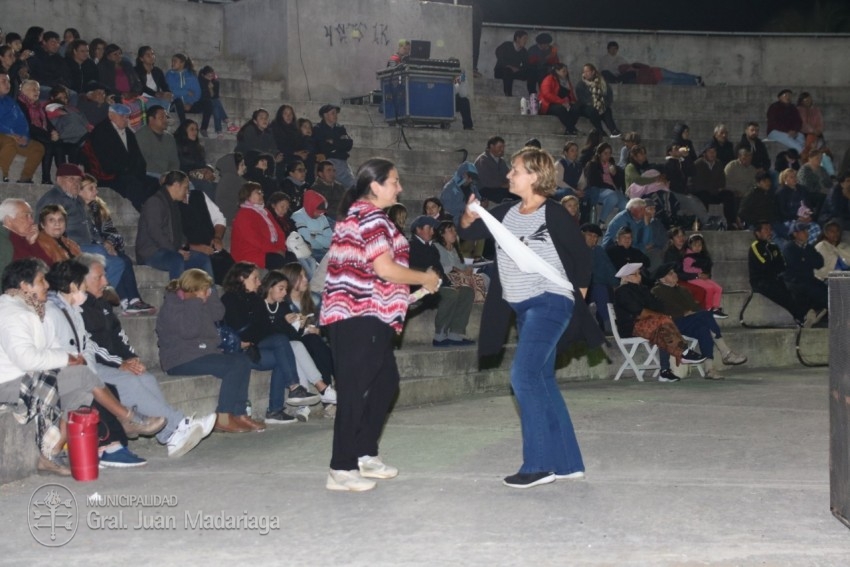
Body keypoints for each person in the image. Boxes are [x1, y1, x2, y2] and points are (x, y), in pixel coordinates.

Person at [458, 146, 604, 488]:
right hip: (523, 308)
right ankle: (568, 463)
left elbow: (583, 260)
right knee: (541, 380)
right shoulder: (506, 212)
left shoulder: (553, 214)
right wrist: (466, 217)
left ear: (535, 176)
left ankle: (538, 465)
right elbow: (467, 233)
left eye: (516, 170)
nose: (509, 175)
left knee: (522, 377)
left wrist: (575, 305)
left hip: (550, 303)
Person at [319, 158, 441, 492]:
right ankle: (340, 468)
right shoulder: (369, 216)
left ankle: (363, 453)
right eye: (394, 181)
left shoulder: (372, 217)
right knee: (355, 391)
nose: (400, 187)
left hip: (373, 315)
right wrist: (425, 279)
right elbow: (385, 268)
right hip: (357, 314)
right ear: (375, 186)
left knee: (386, 383)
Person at [0, 258, 158, 475]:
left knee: (82, 386)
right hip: (10, 385)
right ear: (25, 286)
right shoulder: (11, 313)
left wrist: (70, 358)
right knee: (83, 376)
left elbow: (53, 348)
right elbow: (26, 359)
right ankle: (128, 418)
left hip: (32, 377)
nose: (47, 285)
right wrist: (67, 358)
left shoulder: (35, 310)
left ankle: (51, 453)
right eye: (41, 281)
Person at [41, 259, 176, 466]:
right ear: (72, 285)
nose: (86, 289)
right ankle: (119, 432)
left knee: (97, 380)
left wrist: (92, 367)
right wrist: (85, 367)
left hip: (78, 370)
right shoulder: (52, 312)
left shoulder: (73, 310)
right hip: (53, 374)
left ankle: (123, 434)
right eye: (83, 284)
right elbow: (52, 351)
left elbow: (85, 347)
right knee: (93, 383)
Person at [156, 268, 262, 433]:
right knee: (234, 364)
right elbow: (189, 331)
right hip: (179, 359)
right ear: (194, 290)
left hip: (202, 353)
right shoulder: (173, 304)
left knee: (242, 360)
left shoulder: (200, 301)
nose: (208, 293)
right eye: (205, 289)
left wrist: (209, 295)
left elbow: (218, 314)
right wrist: (194, 301)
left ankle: (240, 413)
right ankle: (223, 417)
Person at [220, 262, 321, 424]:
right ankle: (294, 388)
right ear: (241, 278)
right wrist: (258, 332)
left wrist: (284, 323)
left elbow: (267, 329)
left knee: (282, 353)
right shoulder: (229, 299)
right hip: (241, 350)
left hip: (257, 345)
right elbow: (241, 330)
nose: (259, 282)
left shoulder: (256, 300)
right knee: (281, 344)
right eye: (255, 278)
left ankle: (275, 410)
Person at [613, 262, 707, 383]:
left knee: (663, 330)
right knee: (663, 322)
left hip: (650, 324)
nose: (639, 276)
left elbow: (658, 305)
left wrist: (659, 312)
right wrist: (659, 315)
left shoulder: (642, 289)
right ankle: (684, 351)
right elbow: (639, 312)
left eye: (639, 273)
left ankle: (665, 372)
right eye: (635, 274)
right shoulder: (622, 291)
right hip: (631, 326)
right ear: (626, 277)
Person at [651, 262, 747, 379]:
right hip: (671, 325)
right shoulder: (657, 291)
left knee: (704, 329)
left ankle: (709, 369)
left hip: (688, 321)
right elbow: (662, 312)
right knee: (706, 315)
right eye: (670, 274)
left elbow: (696, 308)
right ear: (662, 279)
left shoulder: (682, 290)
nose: (675, 275)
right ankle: (725, 351)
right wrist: (684, 313)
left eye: (674, 272)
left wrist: (691, 313)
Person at [78, 174, 155, 314]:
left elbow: (113, 232)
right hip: (89, 249)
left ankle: (132, 300)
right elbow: (84, 236)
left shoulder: (98, 208)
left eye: (96, 187)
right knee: (119, 261)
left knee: (124, 259)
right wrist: (103, 244)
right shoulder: (77, 210)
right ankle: (127, 301)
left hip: (105, 247)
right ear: (80, 191)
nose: (96, 191)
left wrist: (109, 242)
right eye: (91, 188)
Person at [408, 215, 475, 346]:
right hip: (420, 288)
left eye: (433, 229)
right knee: (450, 294)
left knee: (467, 291)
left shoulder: (431, 247)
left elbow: (439, 270)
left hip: (437, 284)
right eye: (429, 228)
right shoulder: (411, 246)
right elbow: (414, 271)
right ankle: (440, 335)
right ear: (418, 230)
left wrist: (448, 283)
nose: (432, 232)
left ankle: (455, 333)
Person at [135, 170, 214, 279]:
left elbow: (178, 233)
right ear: (176, 185)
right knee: (177, 259)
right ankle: (175, 294)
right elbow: (155, 232)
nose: (187, 192)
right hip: (152, 252)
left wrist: (186, 248)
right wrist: (175, 250)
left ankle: (209, 295)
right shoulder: (155, 202)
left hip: (170, 250)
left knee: (203, 259)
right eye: (185, 187)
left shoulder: (173, 204)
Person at [748, 221, 823, 327]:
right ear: (758, 233)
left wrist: (775, 266)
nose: (769, 232)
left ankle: (806, 315)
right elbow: (765, 264)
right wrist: (775, 266)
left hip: (775, 278)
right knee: (782, 294)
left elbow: (782, 264)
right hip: (760, 280)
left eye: (770, 229)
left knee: (793, 289)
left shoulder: (773, 246)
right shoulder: (755, 246)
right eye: (766, 229)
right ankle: (801, 317)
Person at [88, 103, 158, 211]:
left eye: (127, 117)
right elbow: (105, 162)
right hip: (111, 175)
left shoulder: (129, 133)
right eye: (122, 116)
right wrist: (128, 170)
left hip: (130, 173)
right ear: (111, 115)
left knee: (155, 183)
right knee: (133, 184)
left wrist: (138, 171)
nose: (126, 119)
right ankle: (144, 212)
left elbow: (138, 157)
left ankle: (152, 210)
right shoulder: (101, 131)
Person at [231, 181, 290, 269]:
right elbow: (254, 239)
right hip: (250, 252)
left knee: (291, 256)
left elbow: (280, 232)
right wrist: (275, 250)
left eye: (261, 192)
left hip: (267, 249)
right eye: (258, 192)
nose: (261, 194)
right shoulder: (243, 214)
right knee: (277, 260)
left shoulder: (265, 211)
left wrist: (281, 248)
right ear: (247, 195)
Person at [16, 78, 63, 184]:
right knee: (48, 144)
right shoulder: (19, 104)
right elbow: (28, 125)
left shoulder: (39, 106)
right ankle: (46, 178)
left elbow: (47, 122)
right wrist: (49, 135)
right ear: (24, 91)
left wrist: (54, 132)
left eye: (38, 90)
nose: (37, 92)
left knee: (59, 145)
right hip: (26, 133)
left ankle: (63, 178)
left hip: (40, 133)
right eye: (34, 89)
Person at [433, 220, 488, 303]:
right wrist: (455, 269)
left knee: (485, 276)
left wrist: (467, 268)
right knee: (473, 280)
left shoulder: (454, 249)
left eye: (455, 230)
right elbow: (437, 268)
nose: (454, 233)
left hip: (460, 275)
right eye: (451, 230)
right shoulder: (436, 247)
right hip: (447, 278)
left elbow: (460, 265)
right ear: (442, 233)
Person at [782, 222, 828, 318]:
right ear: (795, 234)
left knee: (825, 290)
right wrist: (807, 260)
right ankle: (805, 317)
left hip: (808, 279)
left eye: (807, 230)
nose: (807, 233)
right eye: (803, 231)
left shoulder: (808, 247)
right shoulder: (789, 247)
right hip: (793, 281)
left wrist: (804, 259)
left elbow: (820, 262)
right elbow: (796, 266)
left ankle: (819, 315)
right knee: (803, 292)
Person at [581, 222, 617, 334]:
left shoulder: (599, 251)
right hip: (581, 285)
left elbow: (609, 269)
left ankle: (608, 326)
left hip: (598, 284)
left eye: (595, 236)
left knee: (601, 290)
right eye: (589, 235)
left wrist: (616, 284)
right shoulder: (575, 249)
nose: (593, 238)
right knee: (599, 290)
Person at [682, 233, 727, 318]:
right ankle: (708, 308)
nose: (697, 247)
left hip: (703, 277)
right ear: (689, 245)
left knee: (718, 288)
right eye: (695, 245)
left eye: (699, 245)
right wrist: (699, 271)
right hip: (693, 278)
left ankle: (715, 308)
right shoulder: (688, 256)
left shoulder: (703, 256)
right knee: (709, 288)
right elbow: (686, 269)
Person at [691, 145, 736, 227]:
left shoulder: (718, 163)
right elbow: (699, 183)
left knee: (728, 195)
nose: (712, 154)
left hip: (715, 192)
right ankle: (704, 222)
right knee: (704, 195)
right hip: (702, 192)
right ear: (705, 154)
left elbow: (722, 182)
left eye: (714, 152)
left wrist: (715, 188)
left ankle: (731, 222)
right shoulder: (698, 164)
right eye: (710, 152)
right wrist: (714, 187)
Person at [584, 142, 627, 226]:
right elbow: (593, 182)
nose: (608, 156)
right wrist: (604, 172)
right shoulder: (592, 164)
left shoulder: (612, 164)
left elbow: (619, 183)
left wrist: (615, 174)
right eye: (605, 153)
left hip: (613, 190)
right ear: (599, 154)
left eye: (610, 153)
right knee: (613, 197)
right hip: (599, 190)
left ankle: (615, 224)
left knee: (625, 204)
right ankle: (601, 221)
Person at [313, 104, 355, 190]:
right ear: (325, 115)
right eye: (333, 113)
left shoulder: (340, 128)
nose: (336, 116)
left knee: (352, 186)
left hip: (342, 161)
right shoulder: (318, 129)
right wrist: (338, 145)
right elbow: (323, 147)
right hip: (328, 161)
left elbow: (348, 144)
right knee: (351, 185)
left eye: (336, 113)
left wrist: (333, 142)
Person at [574, 63, 621, 138]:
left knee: (607, 110)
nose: (585, 73)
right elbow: (582, 99)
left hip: (601, 105)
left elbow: (609, 96)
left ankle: (613, 130)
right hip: (587, 107)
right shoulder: (581, 84)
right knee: (592, 111)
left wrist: (602, 104)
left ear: (593, 72)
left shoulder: (602, 82)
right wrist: (594, 104)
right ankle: (600, 131)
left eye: (587, 71)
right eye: (584, 72)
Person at [135, 105, 179, 176]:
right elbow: (143, 161)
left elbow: (174, 161)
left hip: (167, 176)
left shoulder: (170, 138)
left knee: (189, 185)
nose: (165, 120)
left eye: (166, 117)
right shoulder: (141, 135)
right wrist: (163, 175)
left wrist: (171, 175)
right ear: (151, 119)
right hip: (148, 174)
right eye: (161, 118)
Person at [291, 189, 332, 262]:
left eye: (322, 213)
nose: (320, 215)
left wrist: (315, 236)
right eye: (318, 212)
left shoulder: (322, 217)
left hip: (324, 251)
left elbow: (330, 241)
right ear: (311, 206)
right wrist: (322, 241)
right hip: (309, 252)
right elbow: (307, 241)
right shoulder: (298, 216)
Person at [538, 63, 579, 135]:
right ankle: (571, 128)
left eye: (566, 71)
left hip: (564, 103)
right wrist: (561, 102)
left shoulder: (567, 82)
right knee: (560, 109)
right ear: (557, 71)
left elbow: (571, 94)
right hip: (548, 104)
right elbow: (547, 94)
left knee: (576, 108)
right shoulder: (549, 79)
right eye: (563, 71)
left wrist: (573, 102)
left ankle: (569, 129)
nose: (566, 73)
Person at [197, 65, 237, 138]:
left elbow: (214, 96)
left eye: (211, 76)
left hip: (211, 104)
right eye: (208, 76)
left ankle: (220, 131)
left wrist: (211, 89)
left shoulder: (215, 82)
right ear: (203, 75)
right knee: (214, 103)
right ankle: (226, 121)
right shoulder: (199, 82)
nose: (210, 78)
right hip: (202, 105)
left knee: (215, 104)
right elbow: (202, 97)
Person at [164, 53, 203, 125]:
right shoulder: (169, 74)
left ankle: (204, 128)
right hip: (175, 106)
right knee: (178, 101)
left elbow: (197, 93)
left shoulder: (191, 75)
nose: (172, 63)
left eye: (175, 61)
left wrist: (190, 104)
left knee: (208, 103)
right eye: (172, 61)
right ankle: (183, 124)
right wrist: (186, 92)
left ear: (182, 63)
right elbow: (170, 91)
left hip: (189, 105)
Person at [134, 46, 173, 113]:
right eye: (148, 55)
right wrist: (155, 94)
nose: (151, 56)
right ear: (141, 58)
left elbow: (164, 85)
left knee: (166, 99)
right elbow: (142, 87)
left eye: (152, 54)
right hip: (141, 98)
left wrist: (167, 93)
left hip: (156, 97)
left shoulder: (157, 71)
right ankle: (164, 115)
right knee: (157, 103)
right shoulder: (136, 71)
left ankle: (164, 115)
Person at [474, 136, 512, 204]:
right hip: (483, 190)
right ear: (491, 146)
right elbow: (486, 182)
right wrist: (503, 185)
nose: (502, 150)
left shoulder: (501, 161)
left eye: (503, 147)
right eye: (500, 147)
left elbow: (507, 175)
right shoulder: (483, 160)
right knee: (504, 196)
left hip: (498, 189)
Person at [493, 30, 530, 96]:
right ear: (518, 38)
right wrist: (508, 66)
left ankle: (532, 94)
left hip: (514, 72)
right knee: (508, 71)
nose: (526, 41)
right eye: (524, 38)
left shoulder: (524, 51)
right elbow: (498, 54)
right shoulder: (506, 45)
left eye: (527, 39)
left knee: (530, 72)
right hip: (501, 71)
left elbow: (526, 65)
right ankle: (508, 94)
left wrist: (518, 69)